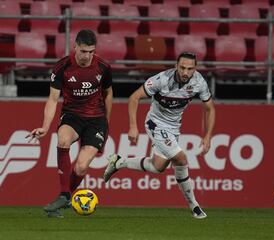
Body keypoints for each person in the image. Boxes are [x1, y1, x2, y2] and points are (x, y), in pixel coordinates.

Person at [103, 52, 215, 219]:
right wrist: (133, 127)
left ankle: (119, 162)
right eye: (182, 67)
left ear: (195, 69)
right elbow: (134, 98)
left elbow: (210, 109)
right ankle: (194, 206)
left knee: (158, 166)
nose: (185, 72)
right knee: (181, 159)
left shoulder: (198, 82)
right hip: (155, 124)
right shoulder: (161, 80)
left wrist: (208, 136)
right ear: (176, 66)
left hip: (174, 128)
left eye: (190, 69)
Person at [26, 29, 113, 218]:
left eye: (91, 51)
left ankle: (62, 199)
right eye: (83, 51)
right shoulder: (62, 67)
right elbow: (52, 99)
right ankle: (65, 195)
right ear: (75, 47)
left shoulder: (103, 67)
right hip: (72, 115)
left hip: (96, 120)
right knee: (63, 140)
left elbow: (108, 94)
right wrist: (45, 126)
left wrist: (107, 122)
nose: (87, 56)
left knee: (81, 167)